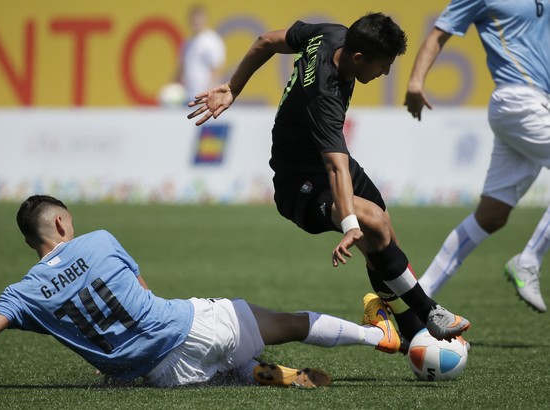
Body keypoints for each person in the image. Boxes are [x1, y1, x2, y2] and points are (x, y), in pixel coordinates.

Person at [0, 194, 403, 391]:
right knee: (284, 322)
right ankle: (376, 335)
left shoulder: (24, 294)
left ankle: (259, 373)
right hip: (191, 326)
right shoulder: (100, 239)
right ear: (61, 222)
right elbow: (143, 289)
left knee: (219, 367)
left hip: (157, 377)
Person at [187, 12, 471, 346]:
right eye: (383, 65)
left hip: (326, 165)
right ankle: (429, 313)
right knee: (372, 224)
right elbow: (335, 167)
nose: (387, 72)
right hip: (299, 183)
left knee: (384, 235)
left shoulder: (331, 33)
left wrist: (233, 88)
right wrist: (350, 223)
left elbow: (265, 41)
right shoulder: (326, 94)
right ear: (358, 58)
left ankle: (409, 333)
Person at [404, 0, 550, 313]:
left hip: (536, 103)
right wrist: (416, 82)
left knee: (492, 214)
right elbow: (437, 35)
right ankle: (529, 260)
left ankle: (416, 303)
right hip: (518, 100)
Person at [176, 5, 226, 101]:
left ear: (205, 20)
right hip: (188, 96)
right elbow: (181, 69)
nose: (195, 22)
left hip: (205, 97)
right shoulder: (187, 43)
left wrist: (209, 93)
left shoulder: (212, 40)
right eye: (193, 19)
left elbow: (215, 70)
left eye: (198, 19)